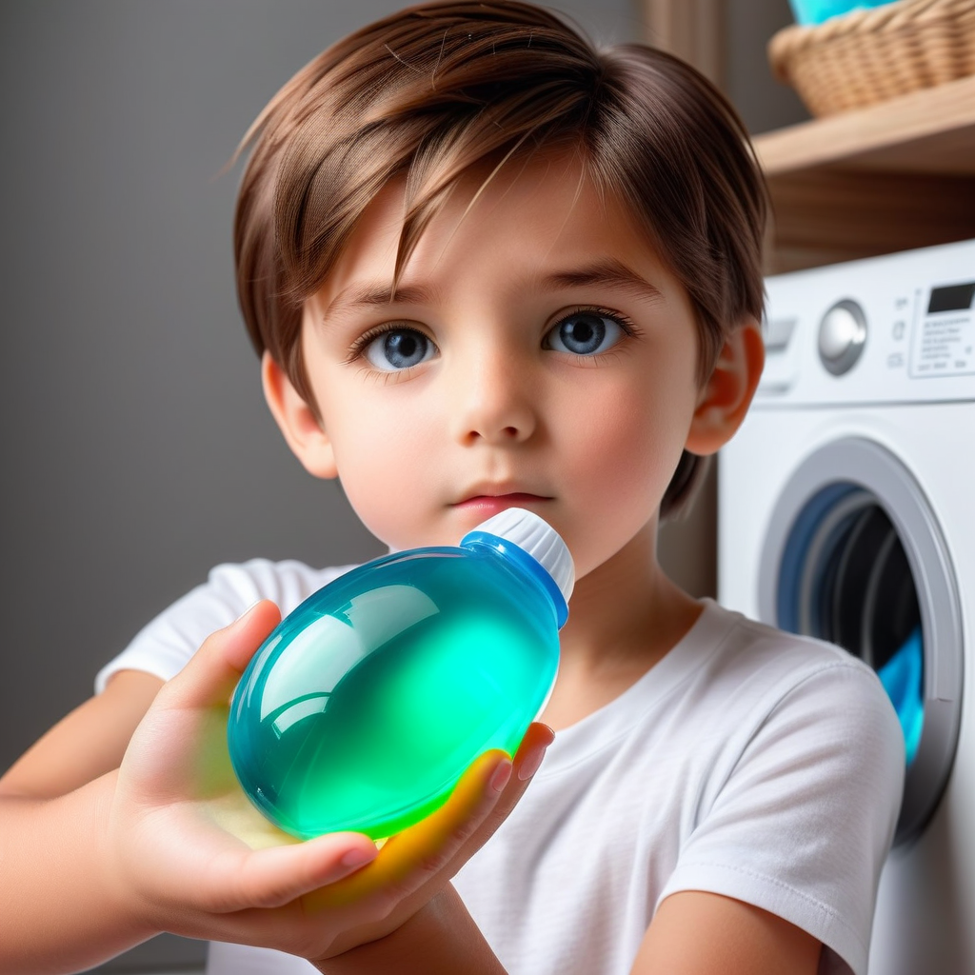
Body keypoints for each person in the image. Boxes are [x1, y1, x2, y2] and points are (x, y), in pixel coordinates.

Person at [0, 2, 904, 974]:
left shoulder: (791, 718)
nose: (490, 408)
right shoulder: (245, 642)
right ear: (305, 407)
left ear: (714, 384)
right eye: (401, 343)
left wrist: (376, 927)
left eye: (580, 328)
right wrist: (124, 864)